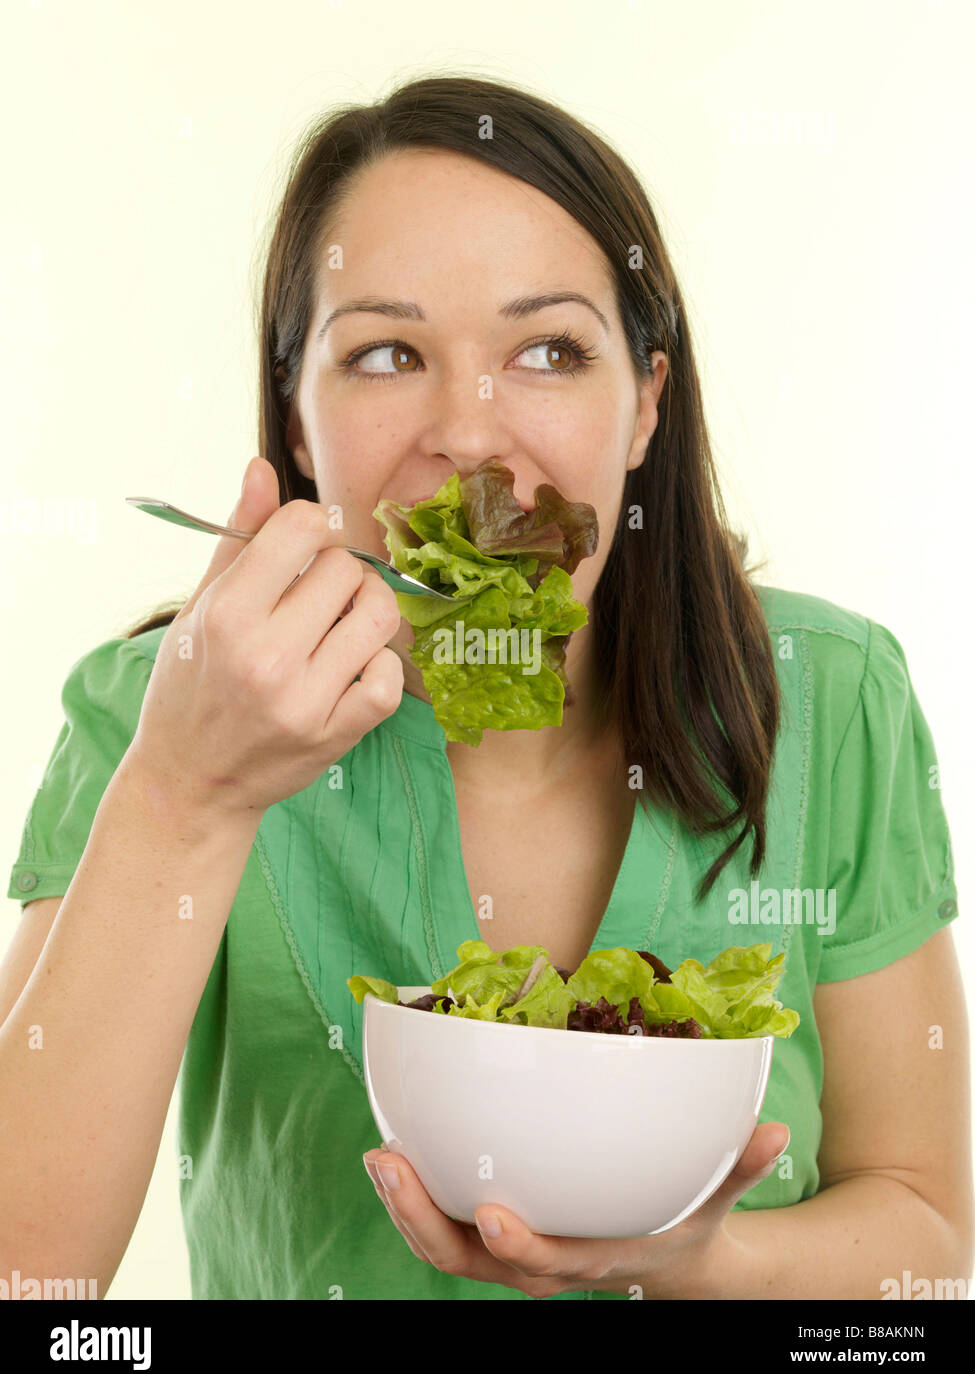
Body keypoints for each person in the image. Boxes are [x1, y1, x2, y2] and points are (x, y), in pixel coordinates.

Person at [2, 73, 970, 1302]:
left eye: (551, 350)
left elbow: (926, 1239)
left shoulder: (831, 697)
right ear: (300, 425)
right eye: (388, 352)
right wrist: (185, 796)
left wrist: (695, 1258)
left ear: (646, 407)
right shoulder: (159, 712)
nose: (469, 433)